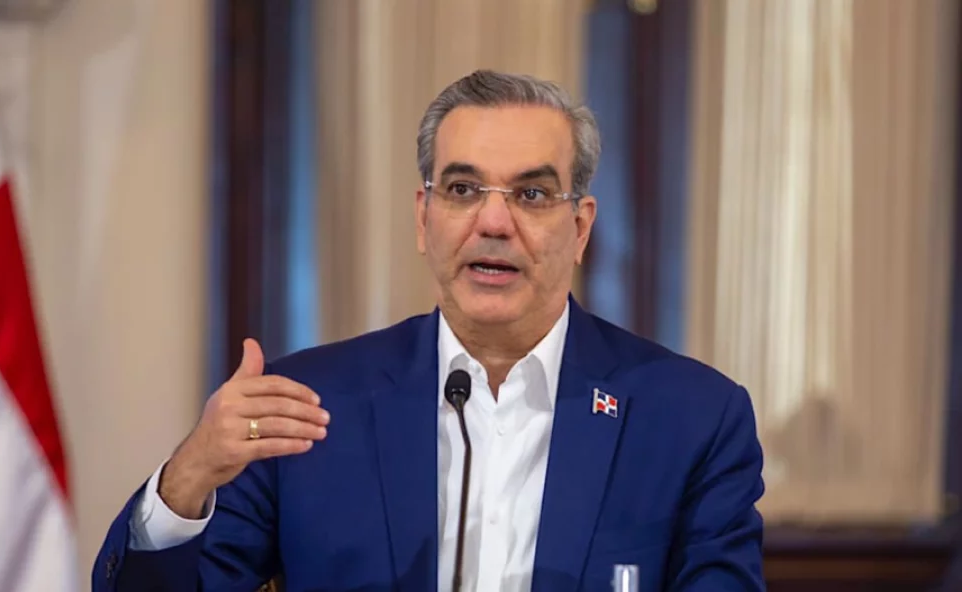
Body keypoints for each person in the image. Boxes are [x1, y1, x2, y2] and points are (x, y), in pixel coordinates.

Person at [93, 69, 765, 592]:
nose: (493, 224)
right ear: (424, 218)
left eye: (531, 195)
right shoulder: (306, 407)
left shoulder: (691, 418)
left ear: (580, 227)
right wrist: (190, 475)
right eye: (463, 190)